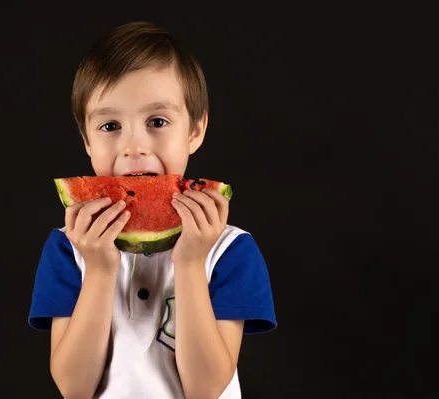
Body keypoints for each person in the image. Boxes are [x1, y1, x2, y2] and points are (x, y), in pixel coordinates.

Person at [27, 21, 277, 399]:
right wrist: (99, 267)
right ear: (86, 143)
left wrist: (191, 263)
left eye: (157, 122)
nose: (133, 146)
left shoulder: (231, 251)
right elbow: (73, 387)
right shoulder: (69, 248)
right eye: (110, 125)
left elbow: (206, 389)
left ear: (195, 130)